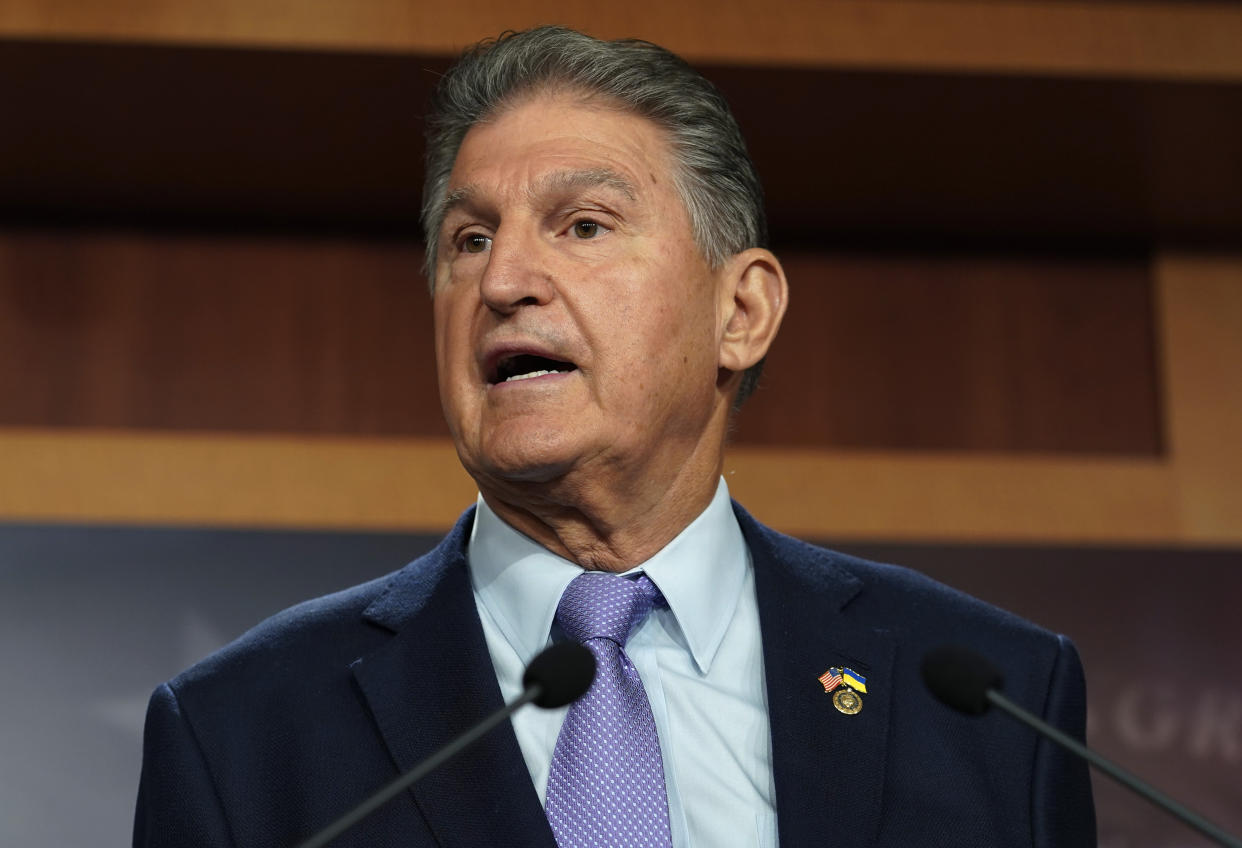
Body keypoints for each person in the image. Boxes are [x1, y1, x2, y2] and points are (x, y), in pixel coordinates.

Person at [134, 26, 1095, 848]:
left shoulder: (990, 702)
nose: (504, 279)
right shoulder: (243, 734)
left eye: (583, 226)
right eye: (469, 240)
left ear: (742, 310)